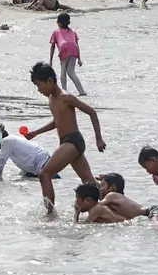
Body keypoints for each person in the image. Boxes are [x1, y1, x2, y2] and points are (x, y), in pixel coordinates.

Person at [26, 62, 105, 214]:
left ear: (49, 80)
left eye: (39, 85)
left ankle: (50, 214)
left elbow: (91, 112)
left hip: (73, 141)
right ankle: (114, 203)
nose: (39, 90)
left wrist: (99, 139)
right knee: (89, 182)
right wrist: (36, 132)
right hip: (67, 142)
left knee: (44, 174)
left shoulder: (65, 97)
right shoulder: (51, 98)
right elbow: (57, 121)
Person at [48, 13, 85, 96]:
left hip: (64, 48)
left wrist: (50, 60)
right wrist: (79, 59)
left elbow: (53, 46)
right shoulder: (73, 32)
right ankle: (82, 91)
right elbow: (76, 45)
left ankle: (64, 92)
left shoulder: (55, 32)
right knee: (71, 72)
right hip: (74, 49)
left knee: (63, 70)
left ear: (58, 23)